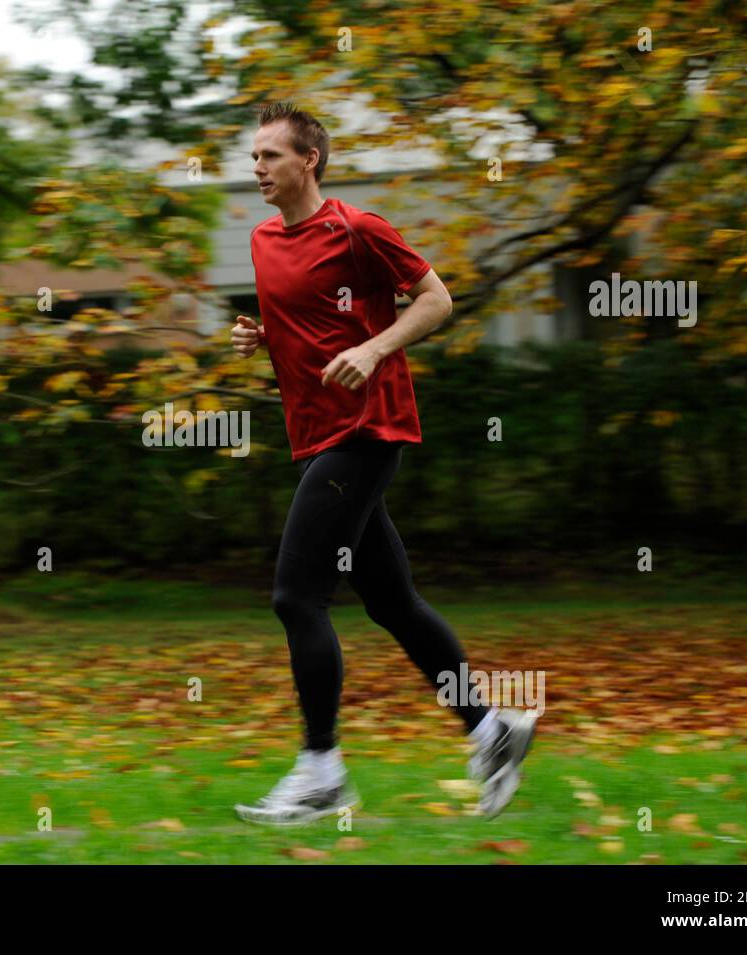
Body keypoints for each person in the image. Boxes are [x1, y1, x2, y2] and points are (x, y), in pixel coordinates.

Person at [230, 101, 536, 826]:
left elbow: (437, 300)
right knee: (391, 601)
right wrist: (261, 335)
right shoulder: (262, 238)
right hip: (316, 435)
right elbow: (304, 322)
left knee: (295, 597)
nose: (258, 168)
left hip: (367, 430)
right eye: (255, 157)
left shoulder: (358, 230)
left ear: (310, 160)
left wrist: (374, 348)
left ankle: (321, 772)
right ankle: (493, 731)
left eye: (271, 155)